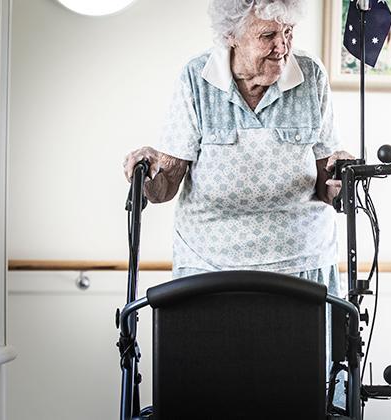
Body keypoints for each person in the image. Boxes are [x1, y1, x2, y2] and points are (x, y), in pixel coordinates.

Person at [122, 0, 351, 404]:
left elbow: (324, 185)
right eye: (267, 36)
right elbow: (166, 186)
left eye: (288, 34)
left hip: (298, 268)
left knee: (297, 399)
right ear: (231, 36)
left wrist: (340, 176)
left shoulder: (310, 75)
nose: (282, 47)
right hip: (211, 271)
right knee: (210, 397)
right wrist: (148, 172)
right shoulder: (197, 78)